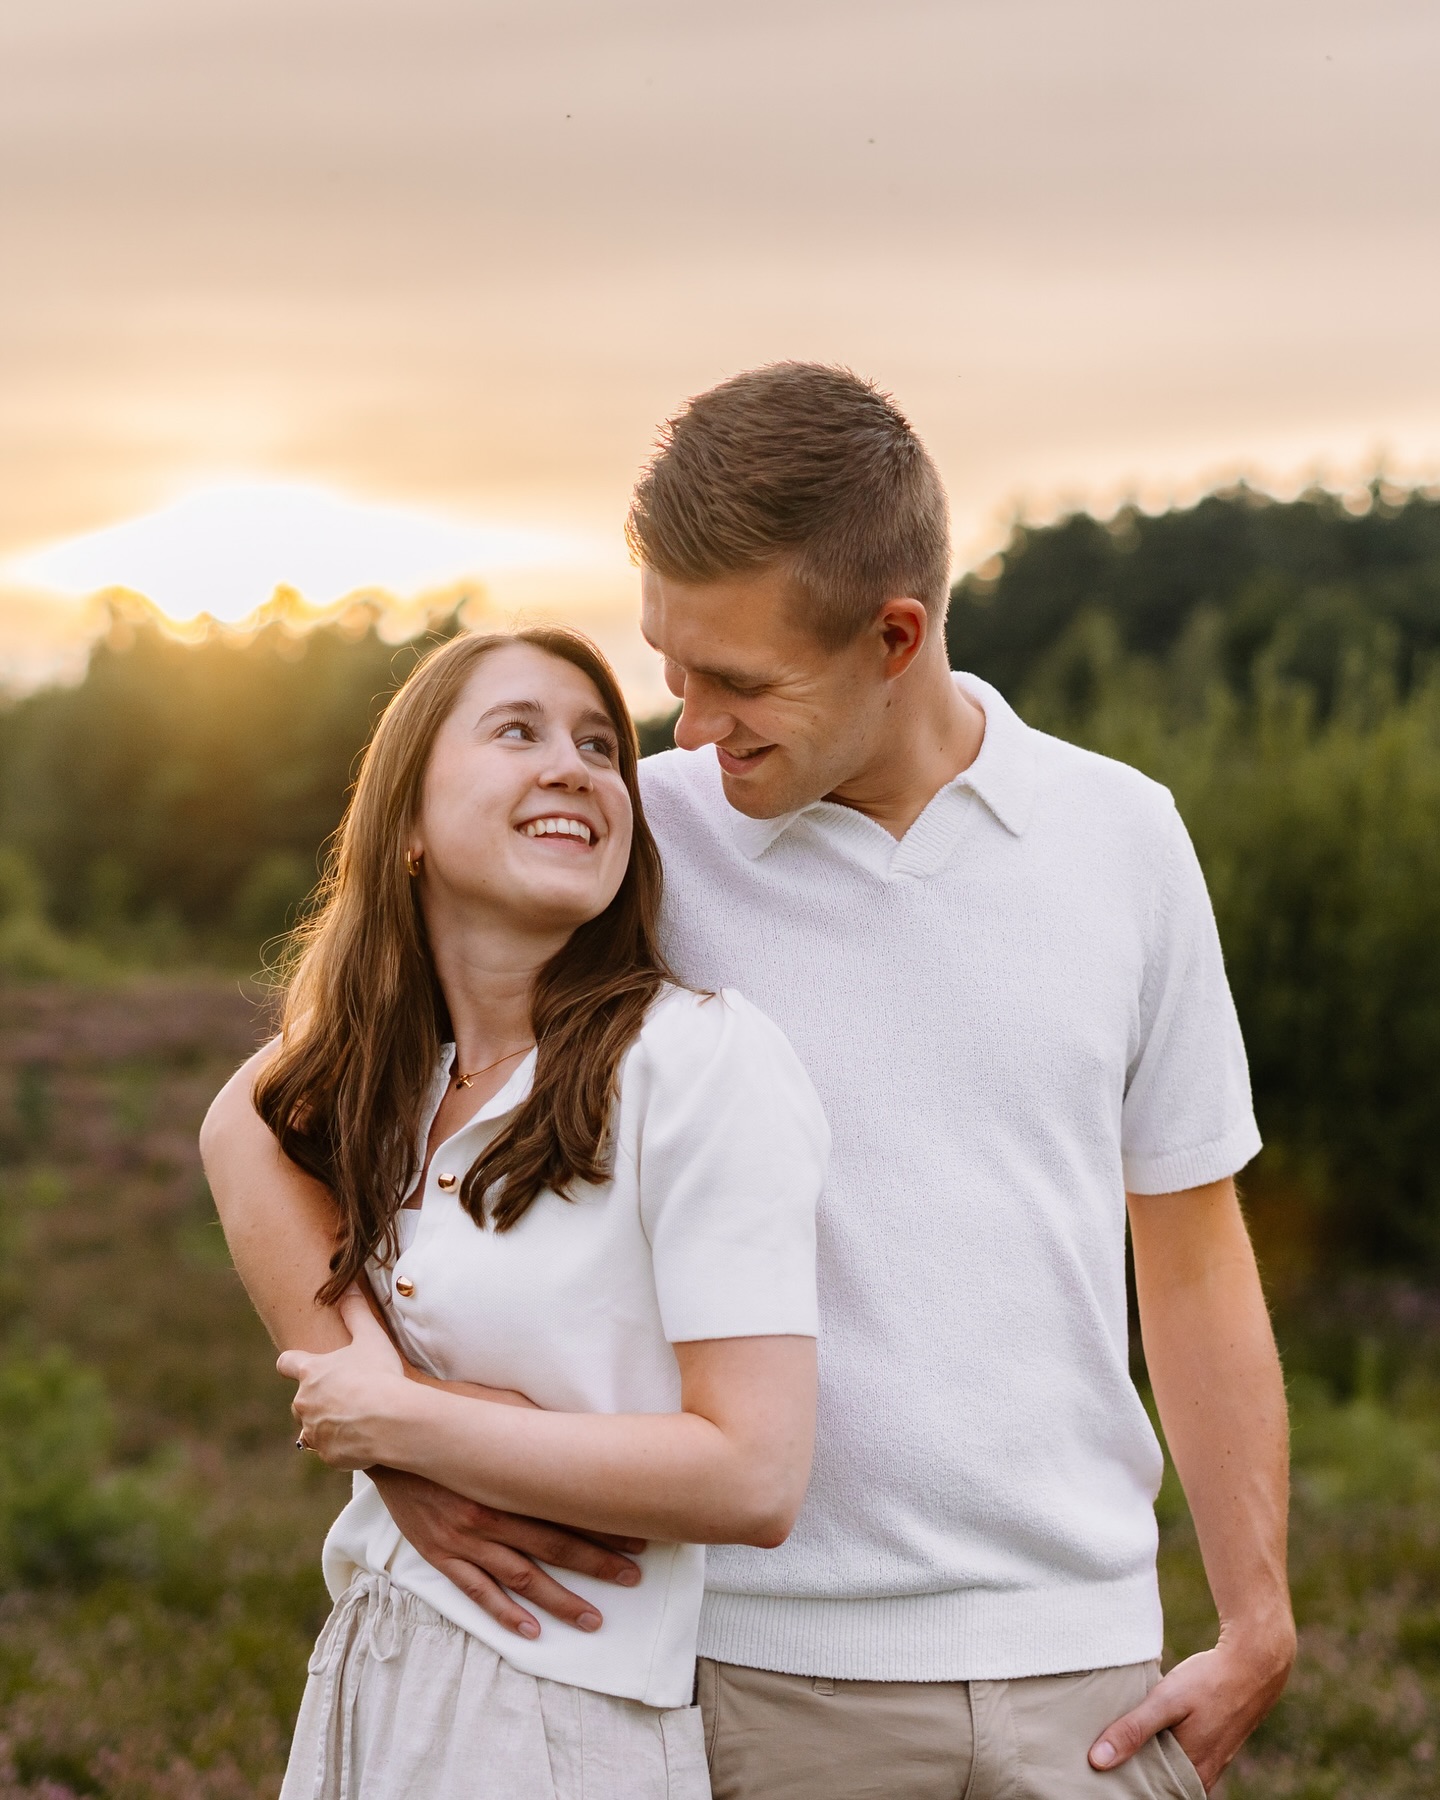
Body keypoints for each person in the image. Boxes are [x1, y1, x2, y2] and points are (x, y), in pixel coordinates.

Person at [204, 363, 1296, 1799]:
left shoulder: (1125, 840)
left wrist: (1259, 1610)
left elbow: (1196, 1250)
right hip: (750, 1684)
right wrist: (399, 1435)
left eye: (736, 681)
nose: (688, 725)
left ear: (893, 636)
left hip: (1090, 1681)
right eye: (669, 666)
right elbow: (257, 1118)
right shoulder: (627, 846)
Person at [205, 625, 828, 1800]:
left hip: (560, 1716)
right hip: (370, 1667)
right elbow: (234, 1128)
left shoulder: (693, 1061)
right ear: (408, 828)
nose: (577, 767)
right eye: (517, 731)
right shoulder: (404, 1073)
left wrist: (398, 1423)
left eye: (603, 746)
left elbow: (755, 1476)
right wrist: (397, 1442)